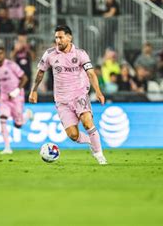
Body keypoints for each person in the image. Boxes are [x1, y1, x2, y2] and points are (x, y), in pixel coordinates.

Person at [29, 25, 107, 165]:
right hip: (62, 101)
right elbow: (41, 72)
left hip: (80, 95)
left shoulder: (80, 54)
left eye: (61, 37)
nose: (58, 40)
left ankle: (99, 155)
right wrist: (34, 90)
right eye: (56, 38)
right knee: (73, 135)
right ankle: (92, 141)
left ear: (69, 37)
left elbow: (91, 73)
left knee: (87, 122)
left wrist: (98, 91)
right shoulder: (50, 54)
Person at [0, 47, 33, 155]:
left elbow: (24, 78)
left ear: (4, 54)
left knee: (18, 124)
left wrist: (16, 91)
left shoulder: (11, 65)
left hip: (16, 96)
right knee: (2, 118)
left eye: (0, 53)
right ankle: (7, 147)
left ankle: (28, 114)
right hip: (4, 98)